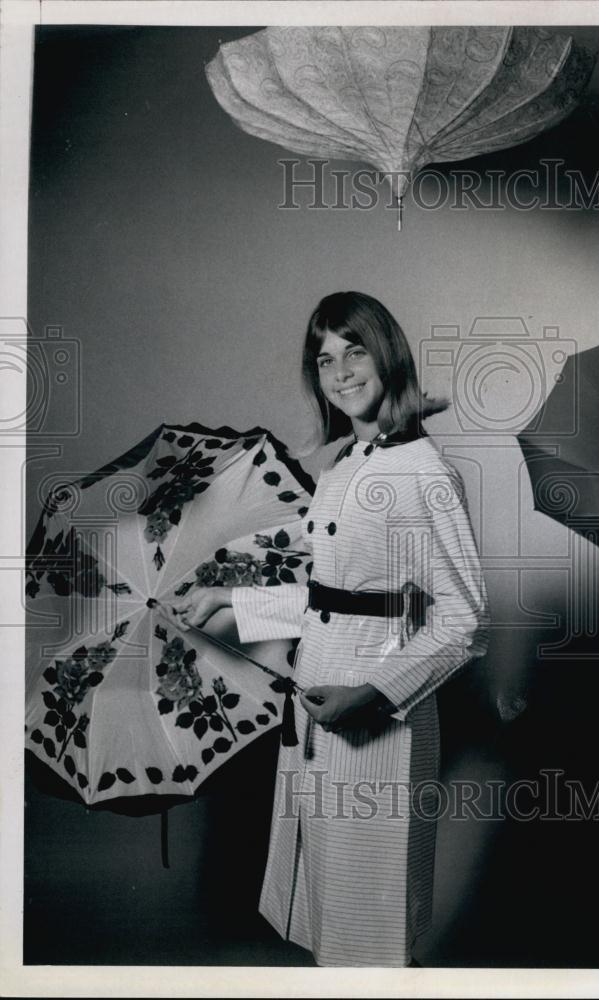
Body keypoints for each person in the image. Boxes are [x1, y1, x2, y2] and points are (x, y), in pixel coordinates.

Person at [173, 291, 490, 967]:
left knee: (370, 927)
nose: (342, 372)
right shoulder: (345, 466)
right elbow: (335, 600)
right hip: (316, 709)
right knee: (331, 918)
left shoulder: (426, 473)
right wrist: (230, 601)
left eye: (355, 351)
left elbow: (463, 621)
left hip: (378, 724)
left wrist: (371, 695)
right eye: (325, 360)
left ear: (388, 357)